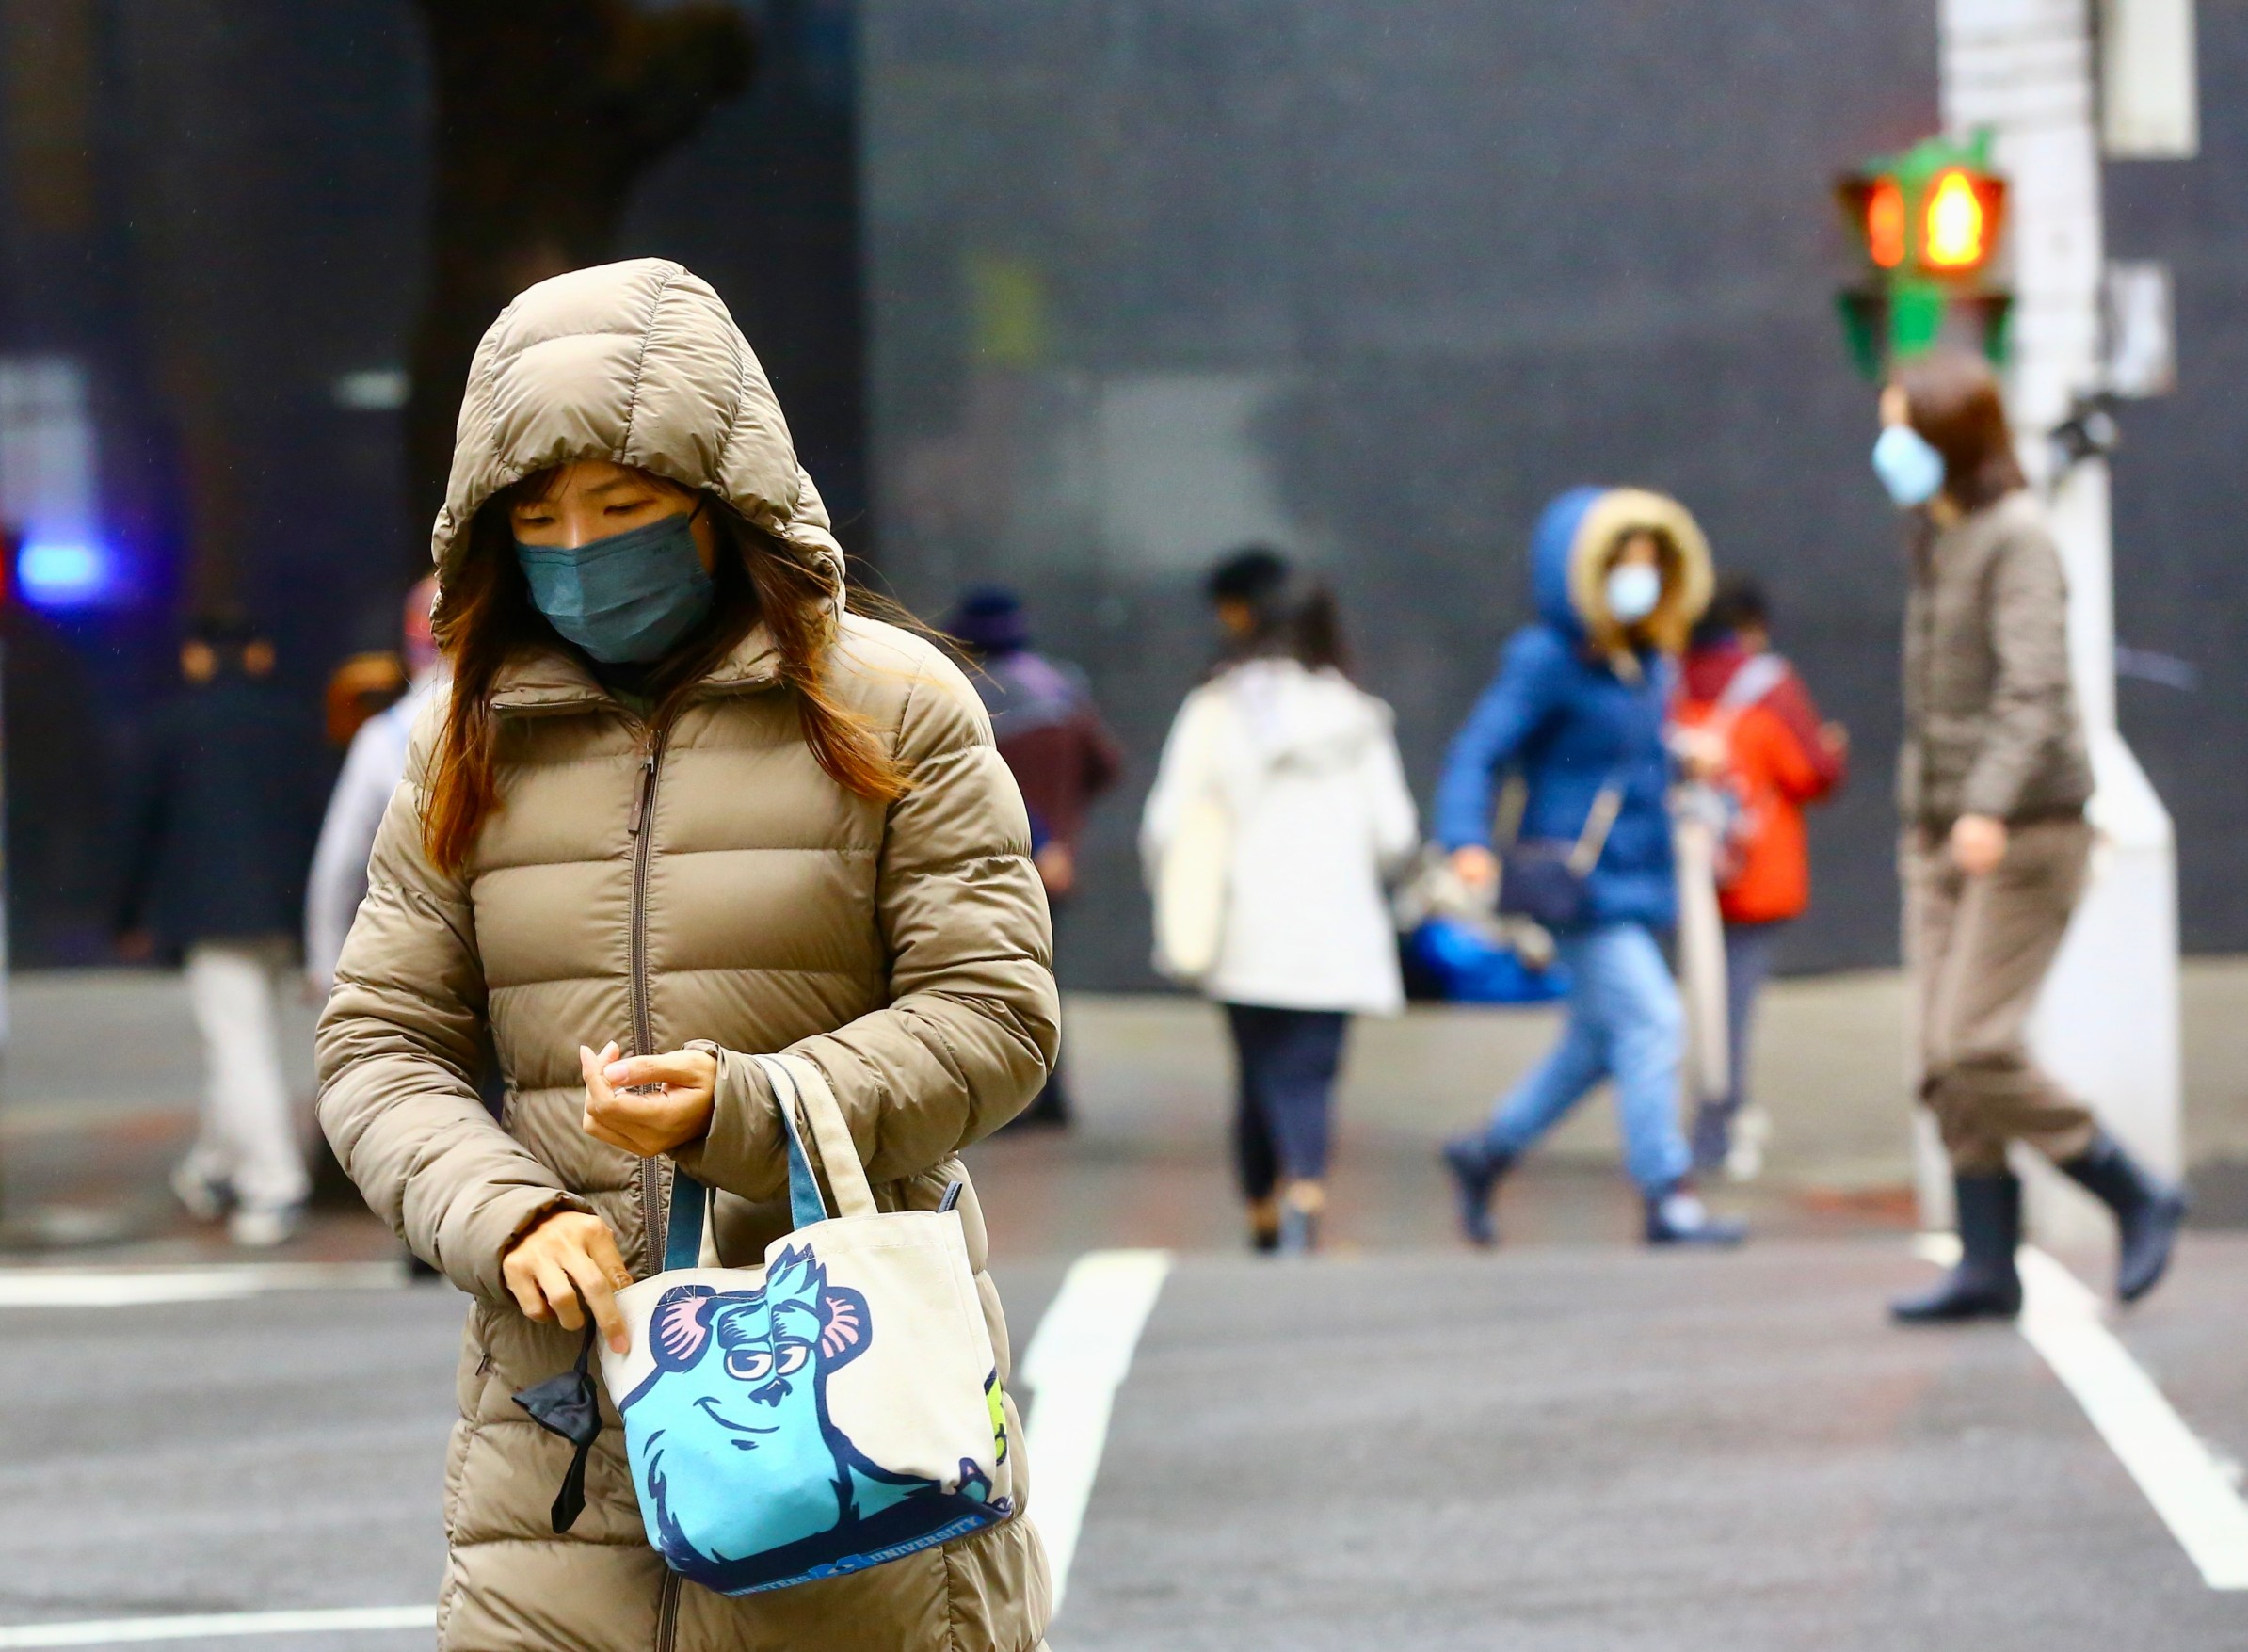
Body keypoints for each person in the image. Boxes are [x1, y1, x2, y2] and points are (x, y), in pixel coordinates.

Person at [315, 260, 1056, 1649]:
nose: (582, 545)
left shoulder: (895, 707)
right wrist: (506, 1213)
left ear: (724, 506)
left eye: (627, 504)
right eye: (537, 517)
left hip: (842, 1427)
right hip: (554, 1456)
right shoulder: (463, 733)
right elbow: (377, 1043)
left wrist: (746, 1105)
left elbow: (996, 1013)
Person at [1876, 348, 2186, 1323]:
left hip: (2020, 833)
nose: (1885, 446)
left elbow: (2035, 688)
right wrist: (1936, 814)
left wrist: (1987, 806)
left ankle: (2129, 1187)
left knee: (1974, 1040)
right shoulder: (1942, 536)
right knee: (1941, 1060)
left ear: (1947, 435)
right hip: (1937, 833)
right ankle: (1986, 1263)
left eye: (1900, 426)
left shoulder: (2017, 538)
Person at [1436, 489, 1744, 1248]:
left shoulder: (1651, 664)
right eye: (1620, 563)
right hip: (1576, 884)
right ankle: (1667, 1191)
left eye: (1648, 564)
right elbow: (1479, 750)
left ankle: (1487, 1151)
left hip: (1640, 878)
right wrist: (1464, 838)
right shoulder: (1547, 660)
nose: (1636, 579)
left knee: (1598, 1042)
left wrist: (1684, 757)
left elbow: (1630, 755)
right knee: (1653, 1019)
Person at [1141, 550, 1417, 1254]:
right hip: (1338, 929)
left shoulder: (1215, 707)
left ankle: (1264, 1207)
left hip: (1247, 924)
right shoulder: (1357, 716)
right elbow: (1397, 833)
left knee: (1258, 1068)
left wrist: (1172, 893)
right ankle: (1306, 1189)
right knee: (1312, 1073)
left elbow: (1167, 822)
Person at [116, 608, 316, 1246]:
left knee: (237, 1046)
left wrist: (124, 915)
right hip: (287, 910)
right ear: (258, 654)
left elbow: (137, 829)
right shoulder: (295, 723)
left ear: (195, 657)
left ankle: (273, 1184)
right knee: (240, 1042)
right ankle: (212, 1168)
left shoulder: (172, 724)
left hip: (210, 913)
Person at [1673, 574, 1848, 1175]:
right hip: (1754, 874)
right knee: (1733, 1008)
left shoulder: (1665, 679)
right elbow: (1810, 773)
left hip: (1684, 870)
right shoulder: (1769, 687)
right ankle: (1715, 1130)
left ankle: (1703, 1123)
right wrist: (1832, 752)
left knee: (1692, 999)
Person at [948, 585, 1123, 1128]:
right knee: (1045, 976)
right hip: (1055, 867)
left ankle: (1017, 1100)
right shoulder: (1064, 692)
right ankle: (1052, 1097)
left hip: (989, 862)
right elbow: (1108, 765)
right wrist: (1066, 826)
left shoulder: (963, 698)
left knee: (998, 980)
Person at [304, 575, 444, 996]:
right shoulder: (539, 717)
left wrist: (326, 964)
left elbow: (341, 865)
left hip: (421, 965)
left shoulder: (384, 738)